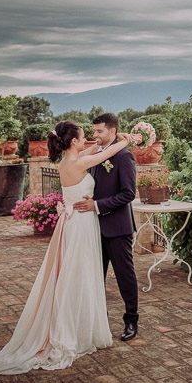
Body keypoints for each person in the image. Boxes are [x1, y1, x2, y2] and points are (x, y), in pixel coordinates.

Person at [0, 121, 130, 375]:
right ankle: (73, 330)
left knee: (74, 275)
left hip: (71, 224)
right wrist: (127, 141)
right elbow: (104, 154)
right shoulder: (79, 162)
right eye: (84, 137)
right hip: (81, 225)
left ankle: (81, 324)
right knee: (79, 275)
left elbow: (94, 149)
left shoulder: (68, 160)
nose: (87, 141)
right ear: (74, 142)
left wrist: (104, 140)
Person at [72, 113, 139, 341]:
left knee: (125, 277)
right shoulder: (96, 154)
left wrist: (97, 205)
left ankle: (131, 320)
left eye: (99, 131)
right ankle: (98, 319)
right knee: (94, 277)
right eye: (94, 131)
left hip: (117, 228)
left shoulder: (123, 157)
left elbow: (128, 194)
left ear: (112, 132)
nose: (95, 135)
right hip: (92, 228)